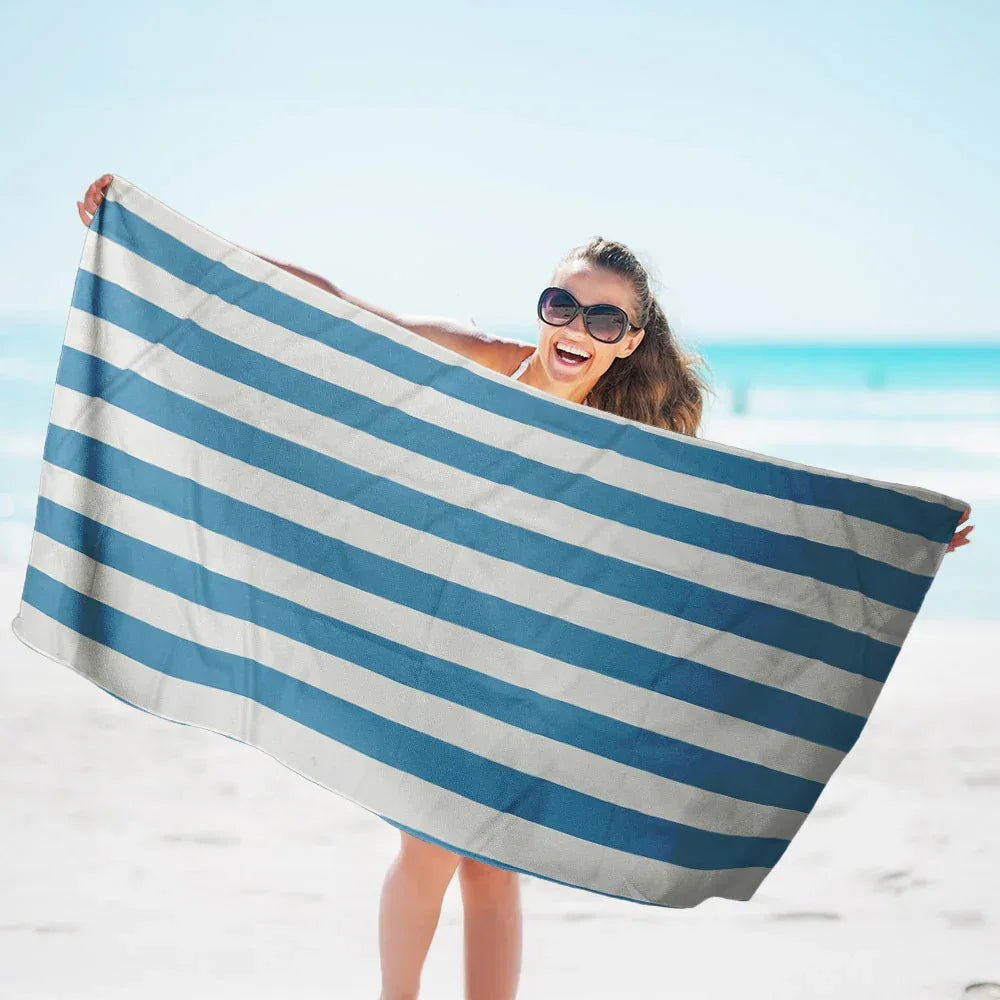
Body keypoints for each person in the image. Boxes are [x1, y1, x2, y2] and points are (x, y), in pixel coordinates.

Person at [78, 174, 975, 1000]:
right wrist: (172, 244)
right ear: (541, 309)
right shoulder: (484, 367)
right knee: (437, 849)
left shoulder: (634, 450)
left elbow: (754, 535)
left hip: (532, 673)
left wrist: (896, 542)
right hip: (438, 650)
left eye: (604, 320)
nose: (577, 329)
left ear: (630, 343)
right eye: (563, 305)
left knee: (492, 863)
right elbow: (340, 316)